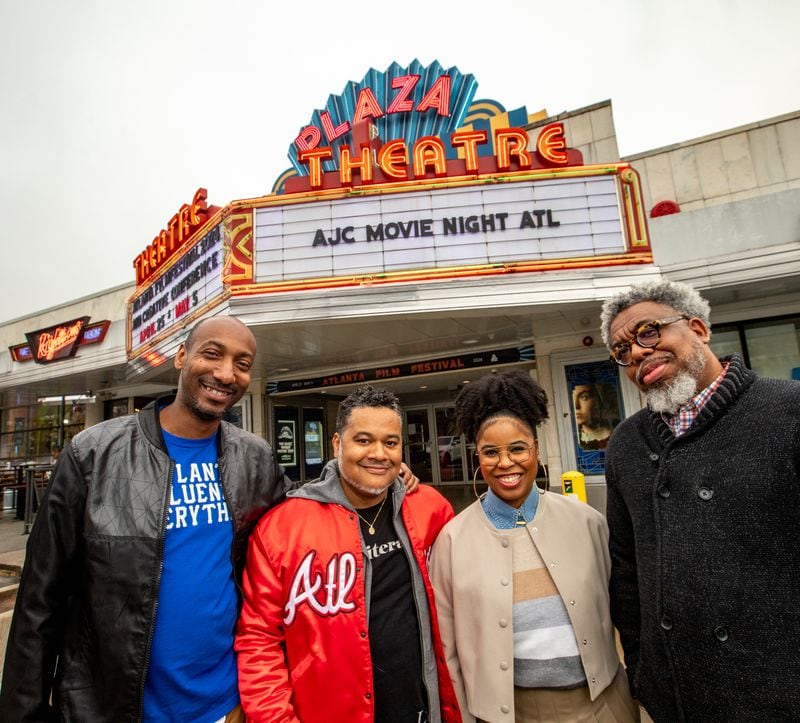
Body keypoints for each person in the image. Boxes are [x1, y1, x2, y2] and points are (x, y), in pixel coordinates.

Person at [600, 279, 800, 721]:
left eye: (649, 332)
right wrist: (642, 671)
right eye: (622, 351)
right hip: (677, 698)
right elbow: (627, 569)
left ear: (698, 329)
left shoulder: (789, 411)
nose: (635, 353)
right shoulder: (626, 444)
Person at [235, 385, 460, 723]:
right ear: (337, 444)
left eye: (390, 442)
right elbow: (259, 640)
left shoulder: (431, 510)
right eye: (364, 440)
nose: (379, 454)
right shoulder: (282, 528)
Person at [429, 370, 638, 722]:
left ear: (536, 450)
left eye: (517, 449)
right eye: (490, 452)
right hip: (512, 713)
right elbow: (447, 649)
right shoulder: (452, 541)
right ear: (477, 457)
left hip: (603, 705)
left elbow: (626, 609)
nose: (505, 462)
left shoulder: (586, 522)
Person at [572, 384, 614, 450]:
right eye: (572, 399)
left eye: (584, 397)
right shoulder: (572, 438)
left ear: (596, 401)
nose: (576, 406)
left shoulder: (612, 435)